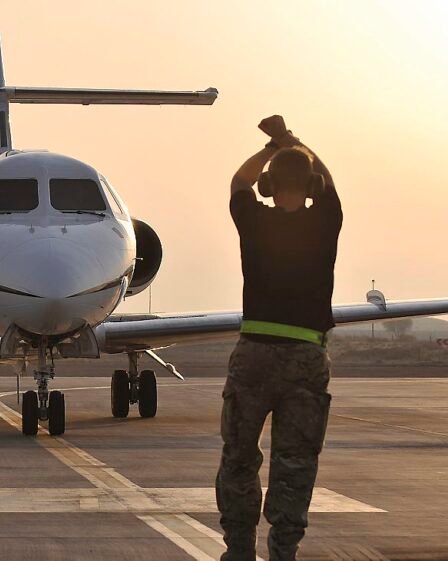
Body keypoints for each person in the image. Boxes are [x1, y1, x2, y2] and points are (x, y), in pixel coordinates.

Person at [217, 115, 342, 561]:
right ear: (311, 187)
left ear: (268, 186)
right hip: (306, 358)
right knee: (296, 463)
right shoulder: (325, 220)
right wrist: (291, 141)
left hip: (253, 355)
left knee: (239, 457)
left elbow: (239, 181)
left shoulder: (254, 220)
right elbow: (327, 180)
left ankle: (238, 550)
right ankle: (283, 552)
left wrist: (270, 149)